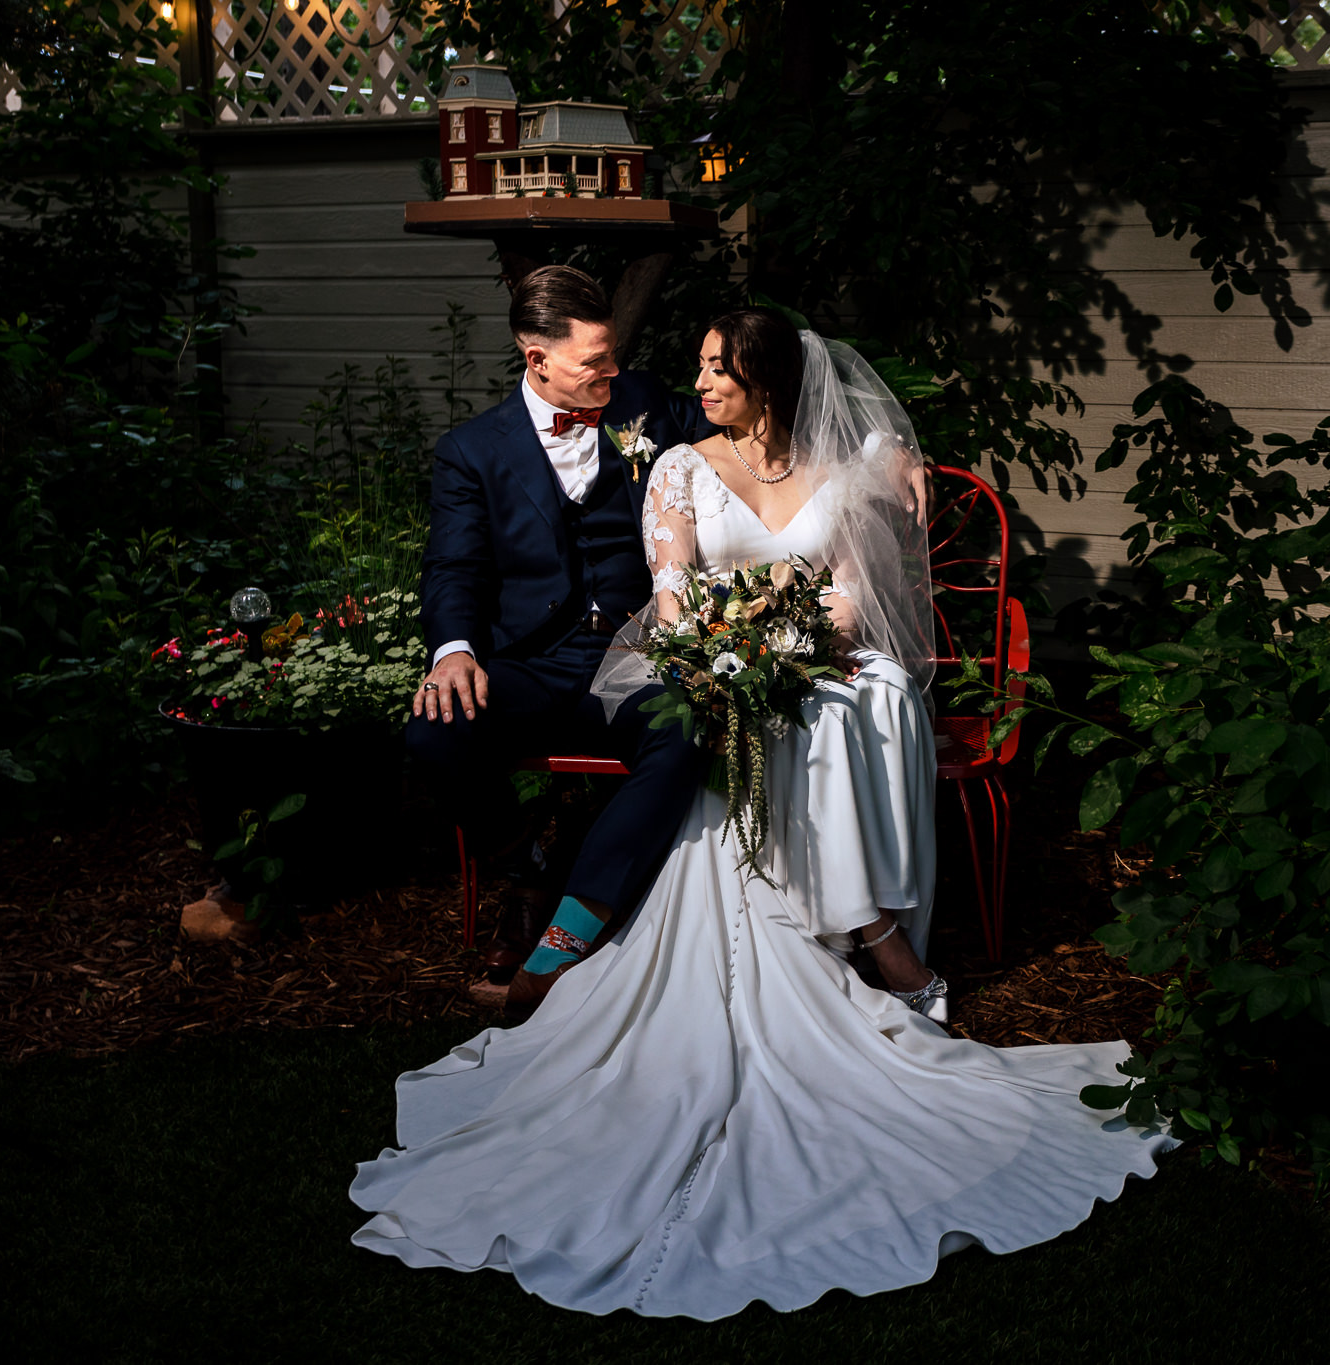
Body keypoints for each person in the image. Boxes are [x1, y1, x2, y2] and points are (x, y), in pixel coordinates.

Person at [350, 309, 1175, 1319]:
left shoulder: (841, 464)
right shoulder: (676, 460)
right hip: (684, 652)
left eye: (716, 370)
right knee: (728, 710)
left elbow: (847, 598)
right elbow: (679, 599)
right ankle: (862, 938)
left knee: (842, 702)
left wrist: (872, 480)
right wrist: (748, 634)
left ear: (770, 385)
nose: (691, 383)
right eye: (692, 368)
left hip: (815, 655)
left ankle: (857, 926)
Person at [406, 265, 711, 1003]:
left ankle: (572, 930)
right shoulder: (471, 451)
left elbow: (749, 426)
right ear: (535, 357)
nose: (612, 372)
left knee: (691, 729)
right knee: (433, 730)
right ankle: (528, 863)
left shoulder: (640, 403)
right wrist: (453, 652)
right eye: (593, 363)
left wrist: (870, 454)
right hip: (534, 663)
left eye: (612, 355)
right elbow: (453, 567)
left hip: (635, 653)